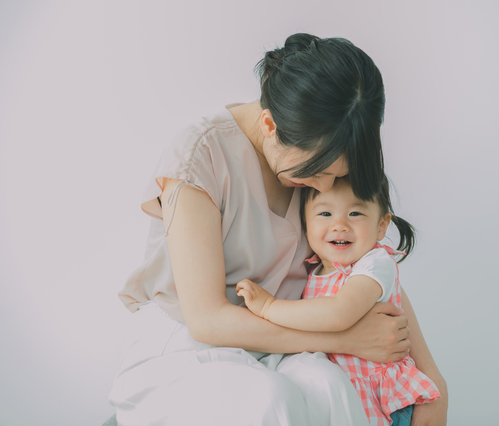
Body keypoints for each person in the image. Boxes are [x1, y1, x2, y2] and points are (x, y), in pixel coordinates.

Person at [109, 33, 448, 426]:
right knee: (269, 398)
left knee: (331, 387)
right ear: (270, 124)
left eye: (336, 174)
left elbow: (366, 266)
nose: (325, 187)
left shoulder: (323, 152)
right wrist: (345, 339)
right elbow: (206, 320)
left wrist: (432, 380)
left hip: (283, 348)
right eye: (315, 172)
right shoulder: (201, 155)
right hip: (189, 347)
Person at [237, 176, 440, 426]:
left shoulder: (375, 264)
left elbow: (339, 314)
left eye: (355, 213)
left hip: (384, 399)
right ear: (305, 224)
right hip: (344, 396)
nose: (340, 225)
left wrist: (269, 307)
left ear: (381, 226)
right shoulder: (309, 272)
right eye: (325, 213)